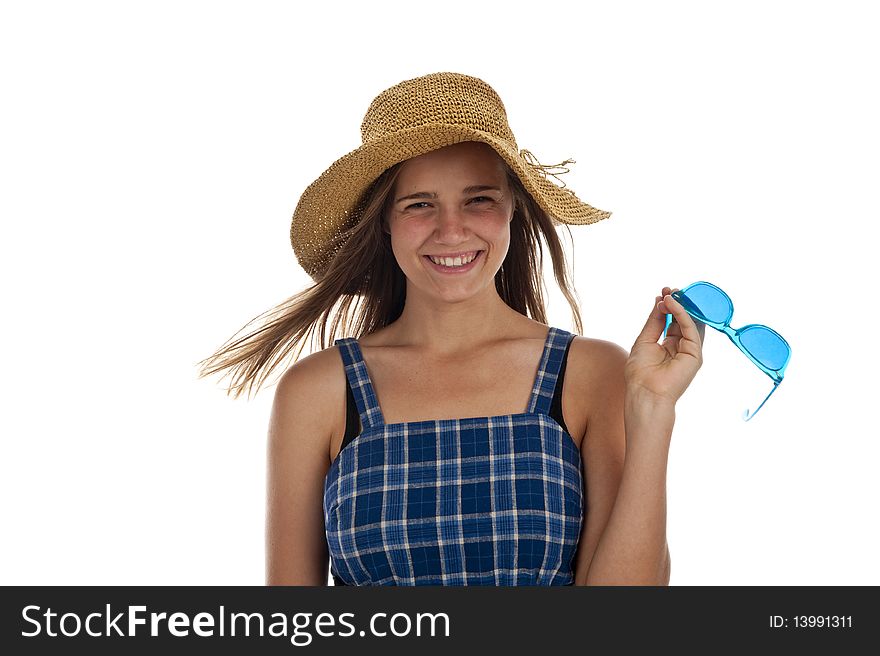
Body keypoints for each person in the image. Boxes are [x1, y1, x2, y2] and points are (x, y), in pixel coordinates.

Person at [196, 71, 706, 586]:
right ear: (386, 221)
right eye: (420, 204)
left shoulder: (590, 373)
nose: (451, 230)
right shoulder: (318, 391)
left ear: (513, 209)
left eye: (478, 198)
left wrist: (653, 412)